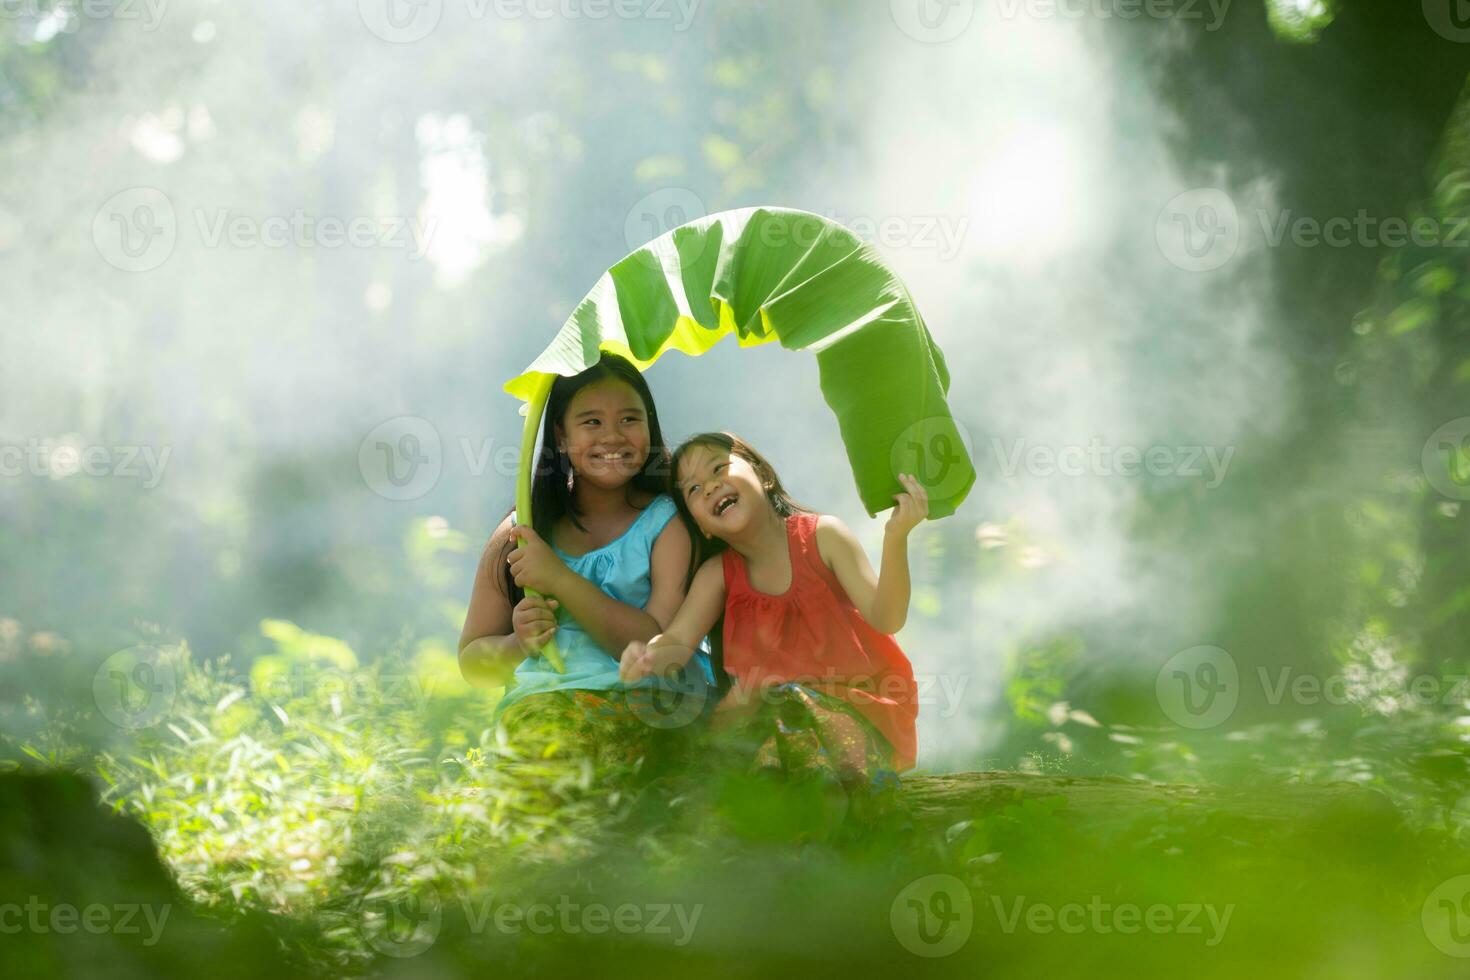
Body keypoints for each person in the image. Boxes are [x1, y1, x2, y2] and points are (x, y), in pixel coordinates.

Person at [619, 431, 925, 799]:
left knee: (787, 710)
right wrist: (648, 655)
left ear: (762, 473)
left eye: (718, 467)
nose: (711, 486)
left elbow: (887, 617)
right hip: (768, 724)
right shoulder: (717, 575)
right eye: (694, 490)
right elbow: (678, 642)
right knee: (726, 746)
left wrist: (896, 537)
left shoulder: (823, 536)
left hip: (855, 712)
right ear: (701, 525)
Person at [458, 354, 714, 768]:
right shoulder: (523, 531)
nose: (613, 436)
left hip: (645, 702)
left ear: (650, 426)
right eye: (592, 422)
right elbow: (474, 663)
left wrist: (560, 579)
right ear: (560, 435)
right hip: (543, 709)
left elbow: (653, 646)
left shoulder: (668, 523)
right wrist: (516, 644)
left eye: (630, 420)